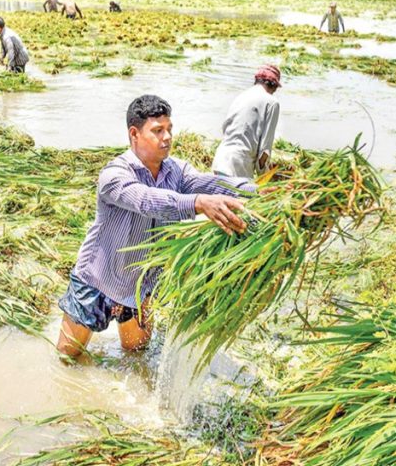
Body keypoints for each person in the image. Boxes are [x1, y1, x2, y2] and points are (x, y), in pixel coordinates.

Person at [56, 94, 256, 358]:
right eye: (158, 130)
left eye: (170, 129)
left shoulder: (177, 172)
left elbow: (215, 184)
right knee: (67, 358)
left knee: (136, 356)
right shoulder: (114, 175)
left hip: (139, 286)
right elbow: (146, 200)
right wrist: (198, 203)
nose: (167, 137)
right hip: (97, 280)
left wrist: (265, 191)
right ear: (134, 133)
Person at [212, 65, 282, 180]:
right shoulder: (272, 102)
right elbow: (264, 151)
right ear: (273, 85)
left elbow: (225, 128)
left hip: (220, 160)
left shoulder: (242, 96)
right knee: (240, 198)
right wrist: (266, 179)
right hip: (238, 168)